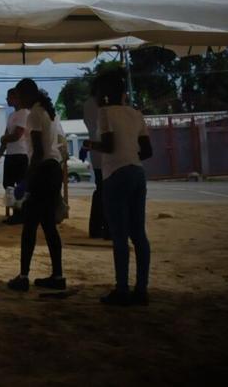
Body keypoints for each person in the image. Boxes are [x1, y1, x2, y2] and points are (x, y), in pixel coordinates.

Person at [87, 69, 153, 306]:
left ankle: (122, 288)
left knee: (119, 235)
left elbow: (108, 145)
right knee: (139, 234)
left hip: (115, 175)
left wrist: (90, 144)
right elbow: (147, 151)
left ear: (103, 95)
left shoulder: (105, 113)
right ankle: (142, 289)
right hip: (137, 172)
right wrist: (129, 156)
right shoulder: (136, 114)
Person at [6, 83, 65, 291]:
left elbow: (38, 151)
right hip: (53, 168)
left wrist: (26, 181)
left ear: (28, 95)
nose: (18, 100)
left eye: (20, 96)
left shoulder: (34, 115)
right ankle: (58, 275)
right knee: (49, 225)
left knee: (30, 225)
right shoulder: (48, 112)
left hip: (43, 170)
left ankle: (23, 276)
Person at [0, 80, 33, 223]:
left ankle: (22, 212)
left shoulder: (24, 114)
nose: (7, 100)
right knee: (8, 185)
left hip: (21, 154)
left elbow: (17, 135)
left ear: (17, 98)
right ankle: (17, 211)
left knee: (20, 184)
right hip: (11, 154)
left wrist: (4, 138)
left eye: (9, 97)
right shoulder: (12, 116)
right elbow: (6, 137)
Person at [82, 86, 110, 240]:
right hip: (104, 152)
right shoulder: (105, 107)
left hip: (97, 151)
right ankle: (105, 227)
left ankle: (96, 228)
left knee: (101, 190)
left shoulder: (88, 104)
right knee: (106, 192)